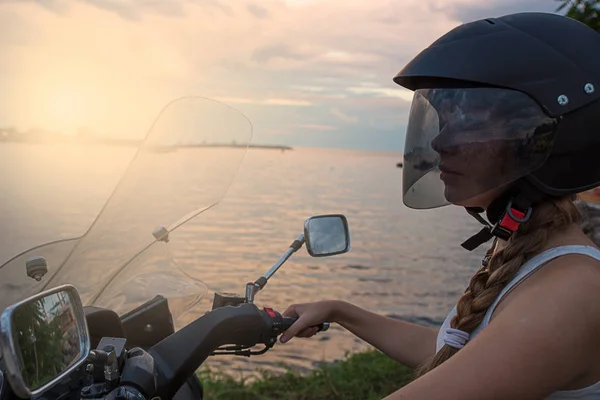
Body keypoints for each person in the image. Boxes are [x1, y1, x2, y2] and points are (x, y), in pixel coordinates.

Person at [281, 12, 600, 400]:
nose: (440, 142)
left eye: (472, 120)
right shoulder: (536, 253)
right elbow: (460, 355)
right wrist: (339, 310)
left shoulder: (570, 292)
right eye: (445, 120)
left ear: (547, 137)